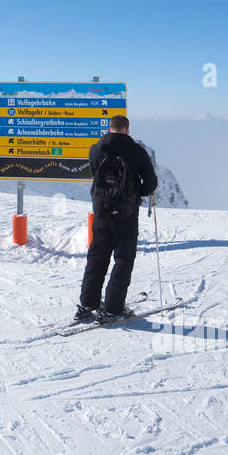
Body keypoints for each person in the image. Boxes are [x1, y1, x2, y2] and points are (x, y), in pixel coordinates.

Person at [76, 116, 158, 322]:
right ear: (127, 129)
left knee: (97, 257)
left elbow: (95, 174)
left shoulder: (95, 149)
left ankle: (88, 303)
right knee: (123, 259)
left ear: (109, 128)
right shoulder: (137, 151)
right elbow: (150, 184)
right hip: (126, 213)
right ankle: (113, 308)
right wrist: (134, 191)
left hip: (101, 211)